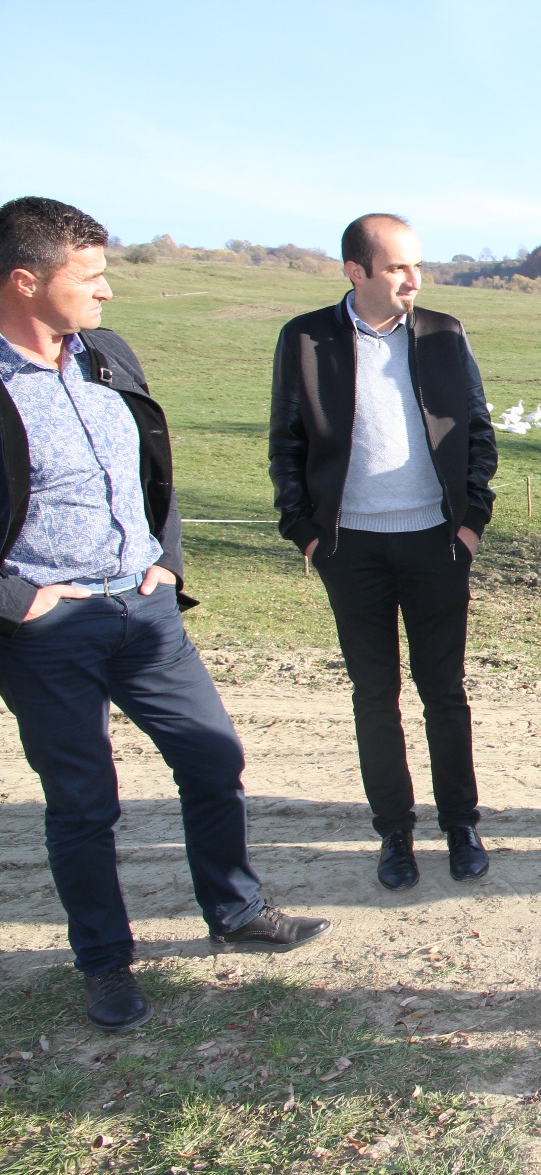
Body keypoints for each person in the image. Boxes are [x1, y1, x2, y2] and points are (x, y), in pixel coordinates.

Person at [0, 198, 330, 1034]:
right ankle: (105, 962)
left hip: (145, 611)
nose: (107, 290)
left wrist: (165, 560)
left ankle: (236, 910)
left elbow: (152, 463)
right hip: (46, 630)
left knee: (214, 758)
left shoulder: (107, 355)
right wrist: (19, 601)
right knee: (84, 803)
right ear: (26, 281)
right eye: (90, 275)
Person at [269, 214, 498, 891]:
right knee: (375, 695)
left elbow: (477, 430)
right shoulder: (306, 337)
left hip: (436, 542)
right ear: (356, 271)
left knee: (444, 691)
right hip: (351, 549)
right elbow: (286, 441)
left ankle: (461, 825)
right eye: (397, 266)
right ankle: (395, 833)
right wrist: (306, 533)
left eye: (416, 265)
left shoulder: (444, 333)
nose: (413, 279)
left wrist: (471, 522)